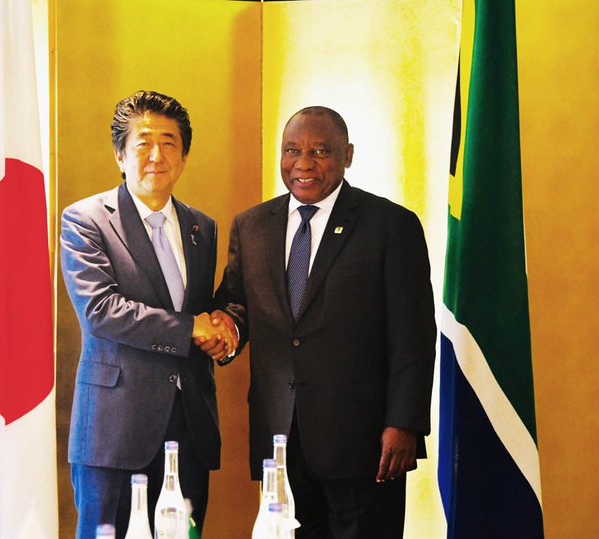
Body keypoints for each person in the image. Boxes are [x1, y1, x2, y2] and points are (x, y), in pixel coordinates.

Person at [200, 106, 436, 538]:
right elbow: (236, 304)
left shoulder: (390, 226)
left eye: (320, 151)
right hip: (281, 440)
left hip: (365, 444)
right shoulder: (251, 227)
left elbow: (414, 337)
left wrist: (404, 423)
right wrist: (226, 331)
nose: (303, 164)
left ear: (347, 155)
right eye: (292, 150)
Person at [60, 90, 237, 538]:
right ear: (120, 154)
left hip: (190, 431)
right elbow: (100, 311)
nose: (156, 155)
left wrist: (217, 332)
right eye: (142, 143)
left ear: (184, 155)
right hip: (116, 432)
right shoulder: (85, 220)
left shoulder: (202, 226)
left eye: (169, 142)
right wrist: (190, 327)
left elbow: (199, 312)